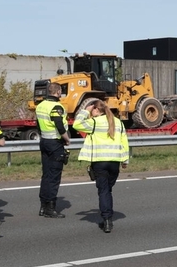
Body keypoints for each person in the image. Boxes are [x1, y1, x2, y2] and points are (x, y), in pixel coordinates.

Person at [73, 98, 130, 233]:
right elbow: (124, 142)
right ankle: (108, 213)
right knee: (108, 190)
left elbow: (76, 124)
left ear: (96, 110)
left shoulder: (94, 122)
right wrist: (125, 160)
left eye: (92, 109)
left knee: (103, 191)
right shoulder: (118, 123)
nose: (90, 112)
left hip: (100, 162)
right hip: (115, 162)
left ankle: (107, 220)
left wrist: (84, 112)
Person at [35, 82, 71, 218]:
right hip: (55, 143)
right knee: (54, 176)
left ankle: (43, 206)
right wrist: (66, 139)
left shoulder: (41, 105)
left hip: (44, 141)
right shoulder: (56, 106)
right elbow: (59, 125)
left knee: (46, 174)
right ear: (58, 92)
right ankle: (50, 208)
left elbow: (37, 124)